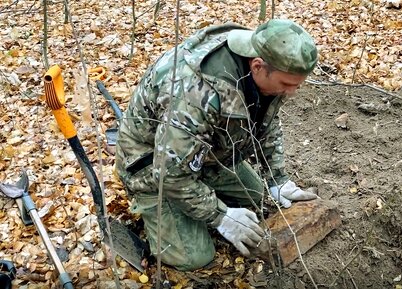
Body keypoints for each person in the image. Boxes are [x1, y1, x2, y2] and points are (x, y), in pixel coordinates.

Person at [115, 19, 319, 271]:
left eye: (297, 85)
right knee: (194, 257)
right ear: (257, 66)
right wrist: (220, 216)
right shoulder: (196, 95)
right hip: (149, 165)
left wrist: (277, 180)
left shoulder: (266, 56)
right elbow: (169, 174)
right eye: (287, 85)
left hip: (204, 153)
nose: (292, 93)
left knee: (255, 195)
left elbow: (265, 123)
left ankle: (199, 199)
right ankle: (155, 210)